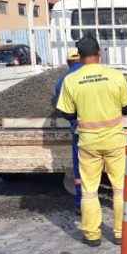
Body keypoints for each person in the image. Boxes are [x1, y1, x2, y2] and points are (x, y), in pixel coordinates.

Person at [56, 36, 127, 247]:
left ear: (79, 57)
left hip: (88, 143)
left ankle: (92, 234)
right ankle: (120, 233)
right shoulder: (115, 76)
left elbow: (66, 113)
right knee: (119, 188)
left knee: (90, 190)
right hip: (115, 141)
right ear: (100, 53)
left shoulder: (71, 80)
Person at [52, 49, 83, 212]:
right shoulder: (105, 74)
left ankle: (81, 204)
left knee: (81, 172)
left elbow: (60, 106)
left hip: (80, 132)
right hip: (108, 131)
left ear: (68, 62)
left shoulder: (63, 80)